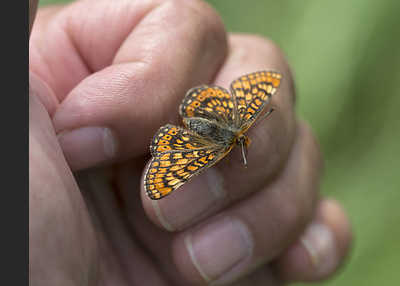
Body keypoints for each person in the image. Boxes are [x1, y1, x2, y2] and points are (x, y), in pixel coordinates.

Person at [29, 0, 352, 285]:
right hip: (202, 127)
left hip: (200, 128)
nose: (243, 143)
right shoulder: (236, 129)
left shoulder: (231, 138)